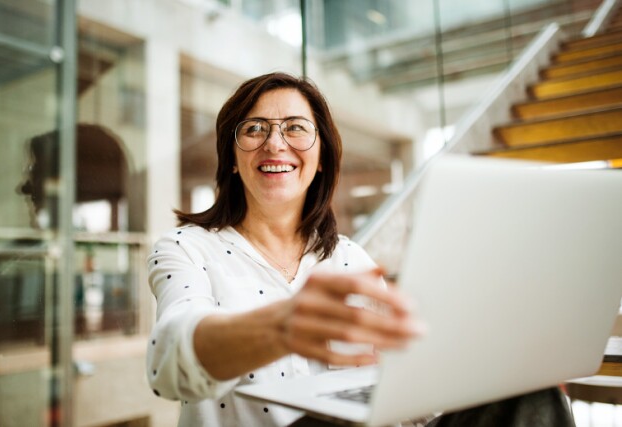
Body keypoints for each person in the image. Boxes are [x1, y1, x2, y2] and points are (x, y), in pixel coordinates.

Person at [146, 72, 575, 427]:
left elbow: (407, 389)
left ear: (319, 160)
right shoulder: (186, 247)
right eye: (254, 129)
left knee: (533, 396)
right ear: (233, 160)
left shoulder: (348, 257)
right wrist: (281, 326)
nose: (275, 143)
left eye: (295, 128)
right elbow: (168, 360)